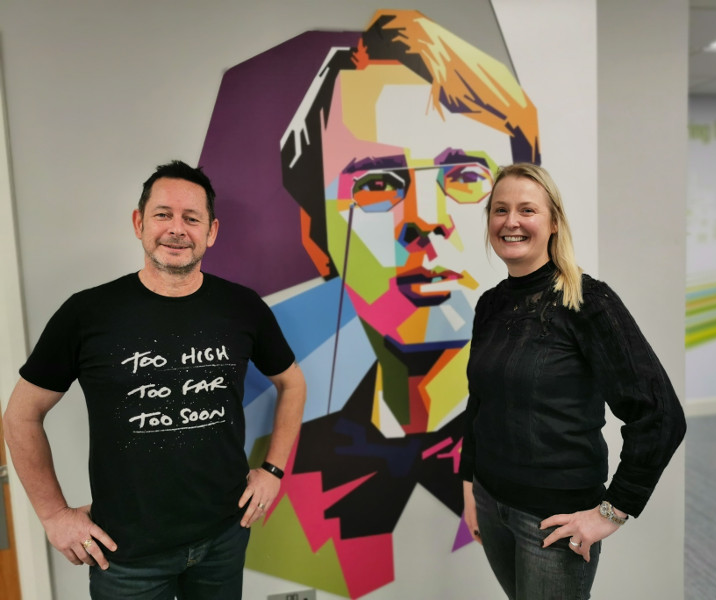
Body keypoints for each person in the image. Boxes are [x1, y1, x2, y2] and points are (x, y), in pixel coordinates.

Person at [196, 10, 542, 598]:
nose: (425, 222)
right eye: (378, 185)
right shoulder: (287, 468)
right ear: (317, 233)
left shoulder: (545, 418)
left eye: (462, 178)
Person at [2, 160, 306, 599]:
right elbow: (20, 416)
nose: (176, 229)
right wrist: (53, 516)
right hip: (126, 557)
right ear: (139, 222)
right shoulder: (87, 313)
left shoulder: (242, 308)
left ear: (212, 231)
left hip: (224, 535)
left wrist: (273, 470)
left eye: (191, 218)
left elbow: (292, 383)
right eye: (163, 214)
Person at [459, 163, 687, 599]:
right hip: (491, 502)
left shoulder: (588, 301)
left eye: (527, 210)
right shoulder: (490, 305)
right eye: (500, 210)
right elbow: (479, 404)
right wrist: (470, 487)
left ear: (553, 223)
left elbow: (660, 415)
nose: (511, 221)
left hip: (553, 520)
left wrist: (612, 512)